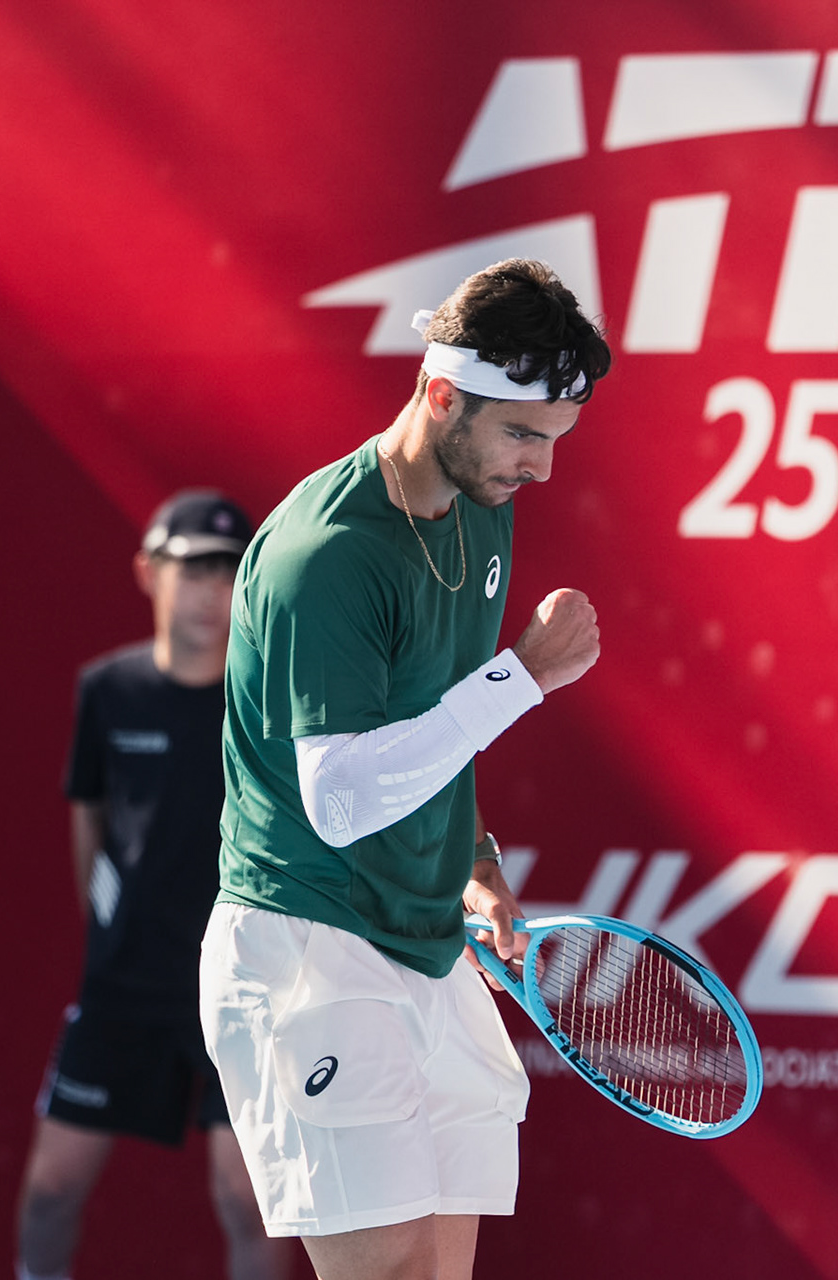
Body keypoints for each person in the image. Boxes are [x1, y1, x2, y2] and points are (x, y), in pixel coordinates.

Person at [200, 258, 613, 1280]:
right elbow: (338, 796)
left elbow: (434, 713)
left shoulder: (483, 504)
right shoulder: (327, 553)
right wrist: (525, 677)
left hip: (425, 947)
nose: (540, 468)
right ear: (439, 395)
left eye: (552, 439)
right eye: (522, 434)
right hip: (311, 945)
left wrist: (473, 855)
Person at [16, 490, 297, 1280]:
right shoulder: (107, 692)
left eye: (230, 571)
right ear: (148, 573)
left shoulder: (273, 702)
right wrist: (119, 941)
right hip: (123, 992)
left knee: (247, 1200)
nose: (213, 590)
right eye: (194, 569)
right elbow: (91, 829)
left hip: (242, 994)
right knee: (50, 1190)